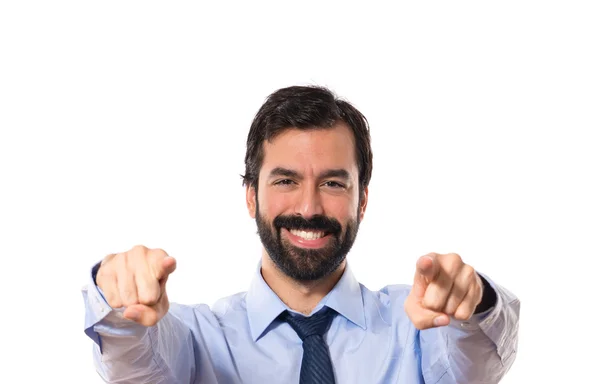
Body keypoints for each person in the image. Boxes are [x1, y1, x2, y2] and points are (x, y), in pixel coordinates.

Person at [82, 85, 520, 384]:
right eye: (286, 181)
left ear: (361, 201)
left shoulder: (418, 329)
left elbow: (478, 357)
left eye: (333, 183)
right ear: (251, 197)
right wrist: (119, 301)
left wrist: (473, 301)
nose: (309, 208)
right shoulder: (198, 339)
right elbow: (137, 362)